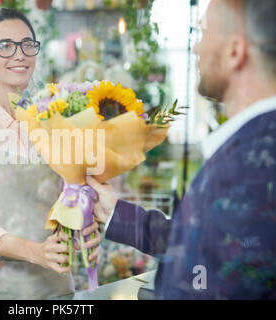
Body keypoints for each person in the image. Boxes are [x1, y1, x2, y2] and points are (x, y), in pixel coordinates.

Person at [85, 0, 276, 299]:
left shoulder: (248, 166)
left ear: (235, 52)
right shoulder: (252, 147)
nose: (196, 48)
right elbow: (207, 244)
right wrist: (116, 214)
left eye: (202, 33)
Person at [0, 8, 101, 299]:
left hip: (51, 286)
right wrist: (34, 252)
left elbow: (72, 197)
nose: (19, 54)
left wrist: (84, 226)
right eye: (5, 46)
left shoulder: (59, 119)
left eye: (28, 44)